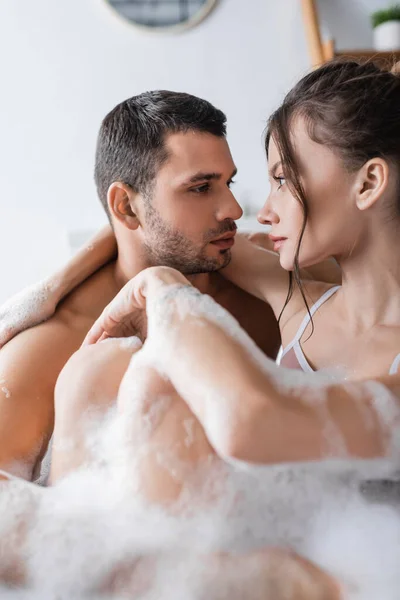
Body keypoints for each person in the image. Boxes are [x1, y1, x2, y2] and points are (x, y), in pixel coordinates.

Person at [0, 90, 287, 481]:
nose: (234, 210)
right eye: (201, 188)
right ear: (125, 206)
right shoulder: (53, 347)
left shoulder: (260, 289)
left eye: (228, 183)